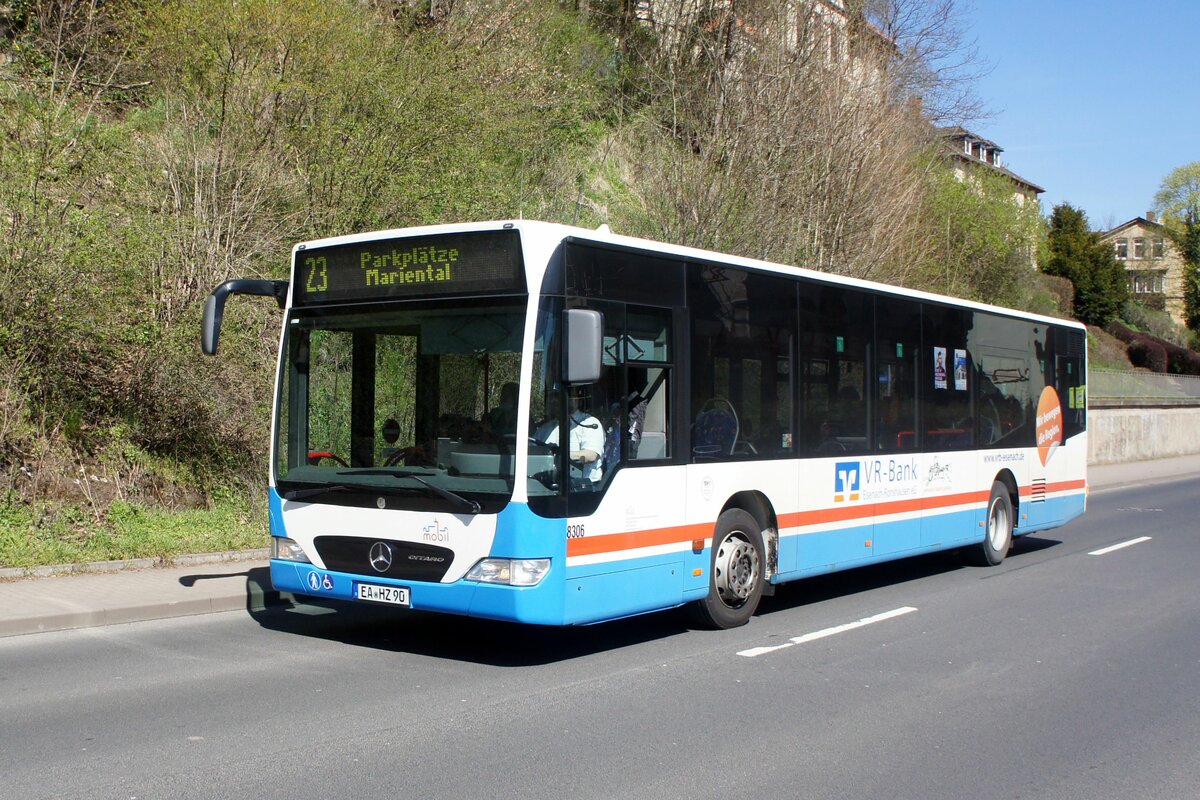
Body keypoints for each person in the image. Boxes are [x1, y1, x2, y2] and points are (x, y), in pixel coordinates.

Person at [535, 386, 605, 483]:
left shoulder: (589, 423)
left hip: (583, 489)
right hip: (548, 487)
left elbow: (591, 455)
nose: (556, 400)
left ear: (577, 399)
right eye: (554, 396)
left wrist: (558, 455)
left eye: (561, 395)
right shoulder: (544, 429)